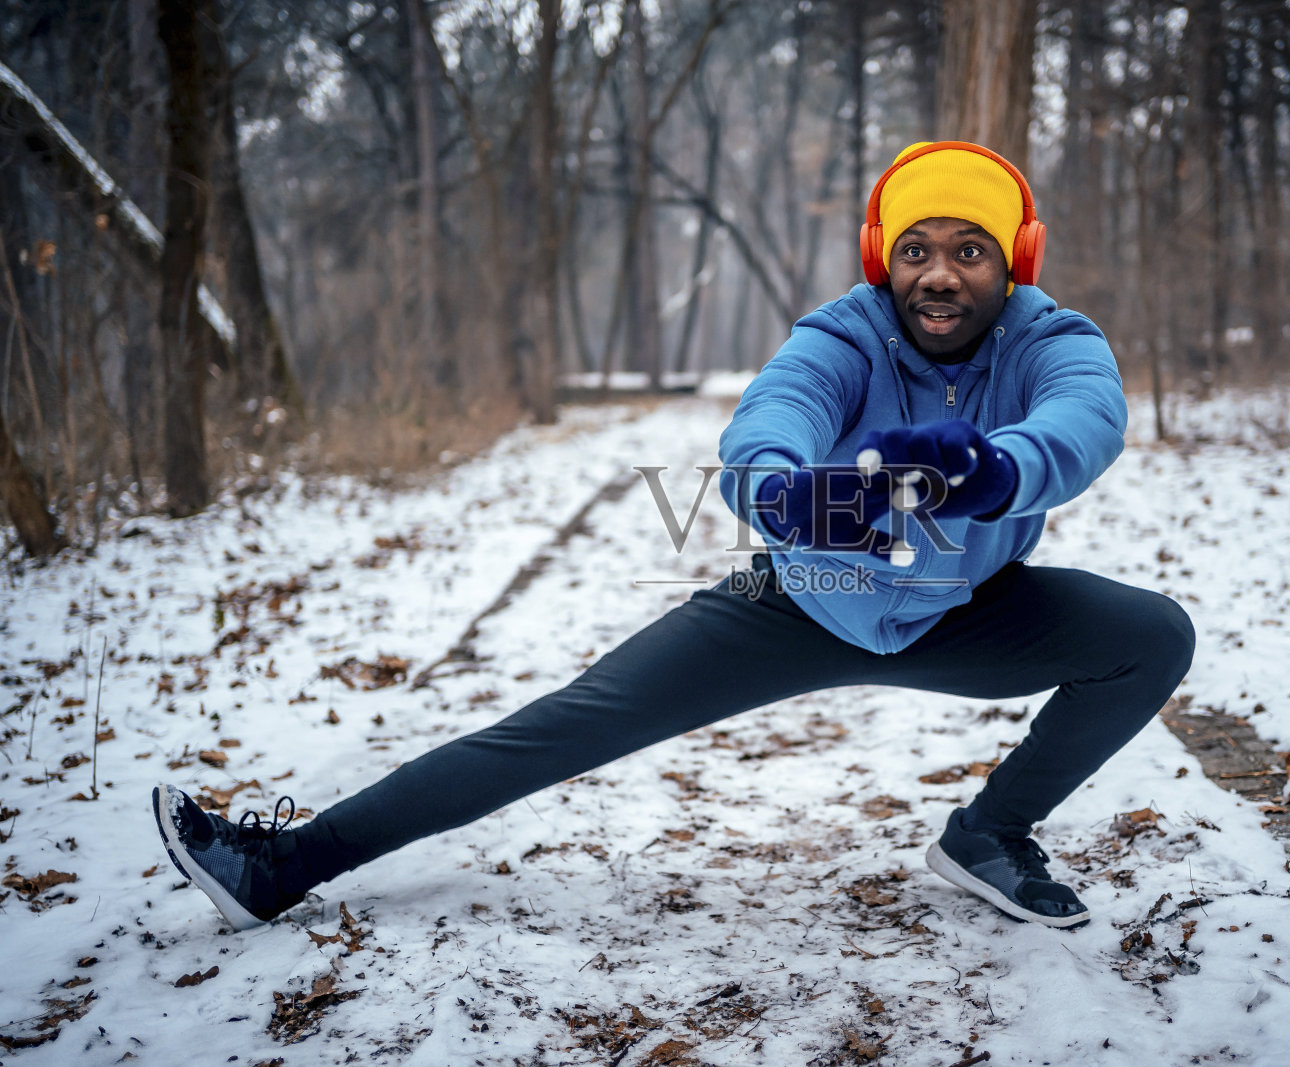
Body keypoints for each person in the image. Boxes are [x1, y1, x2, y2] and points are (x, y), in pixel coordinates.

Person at [153, 140, 1194, 934]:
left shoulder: (1054, 339)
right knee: (559, 724)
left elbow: (1080, 424)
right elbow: (766, 431)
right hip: (800, 597)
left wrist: (990, 469)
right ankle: (282, 865)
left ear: (1013, 261)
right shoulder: (844, 331)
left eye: (969, 250)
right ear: (884, 258)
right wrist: (807, 500)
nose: (938, 273)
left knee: (1150, 634)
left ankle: (988, 834)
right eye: (914, 249)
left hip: (971, 607)